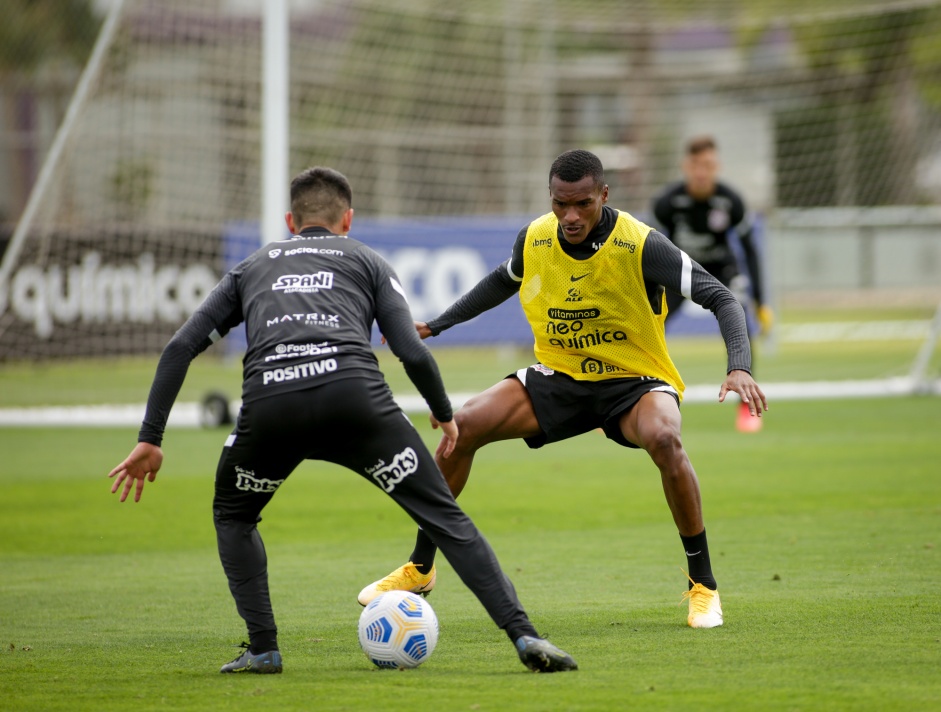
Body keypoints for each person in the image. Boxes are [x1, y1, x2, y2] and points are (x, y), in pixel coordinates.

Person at [107, 167, 577, 674]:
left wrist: (150, 439)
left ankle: (264, 648)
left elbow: (180, 347)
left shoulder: (252, 266)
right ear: (347, 219)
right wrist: (444, 415)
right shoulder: (366, 259)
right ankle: (525, 638)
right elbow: (411, 352)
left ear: (291, 220)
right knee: (444, 516)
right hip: (356, 404)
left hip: (271, 409)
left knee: (235, 516)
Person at [358, 149, 768, 630]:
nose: (570, 216)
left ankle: (703, 585)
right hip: (561, 375)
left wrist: (739, 366)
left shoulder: (639, 243)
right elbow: (502, 280)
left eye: (583, 204)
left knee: (664, 438)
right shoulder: (536, 237)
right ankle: (420, 568)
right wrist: (439, 324)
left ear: (604, 196)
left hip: (633, 380)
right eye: (560, 204)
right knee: (462, 427)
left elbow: (720, 295)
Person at [652, 135, 774, 432]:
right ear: (685, 166)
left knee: (739, 324)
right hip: (680, 271)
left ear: (716, 167)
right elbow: (652, 251)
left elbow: (750, 250)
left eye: (707, 165)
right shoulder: (667, 203)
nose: (701, 172)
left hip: (721, 271)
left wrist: (760, 300)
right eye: (696, 165)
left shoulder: (730, 201)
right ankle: (624, 399)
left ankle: (747, 408)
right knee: (647, 326)